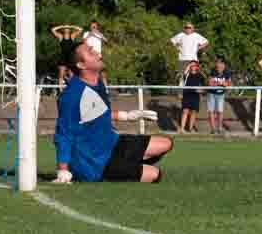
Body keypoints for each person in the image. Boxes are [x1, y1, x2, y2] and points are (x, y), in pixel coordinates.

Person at [53, 43, 173, 184]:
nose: (97, 53)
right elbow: (63, 134)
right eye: (90, 52)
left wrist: (127, 116)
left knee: (167, 143)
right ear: (81, 65)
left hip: (113, 143)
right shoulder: (71, 95)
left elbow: (97, 114)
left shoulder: (98, 83)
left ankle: (128, 164)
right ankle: (120, 169)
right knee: (155, 174)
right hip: (97, 163)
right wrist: (62, 169)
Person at [205, 58, 232, 135]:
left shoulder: (227, 72)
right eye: (218, 64)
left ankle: (220, 128)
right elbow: (210, 83)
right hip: (211, 94)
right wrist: (221, 83)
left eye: (221, 65)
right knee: (211, 111)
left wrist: (223, 84)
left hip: (221, 94)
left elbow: (229, 84)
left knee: (220, 111)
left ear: (224, 65)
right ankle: (213, 129)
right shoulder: (212, 71)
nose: (219, 66)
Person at [178, 59, 204, 133]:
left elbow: (203, 86)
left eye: (194, 65)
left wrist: (201, 91)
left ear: (197, 67)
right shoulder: (187, 74)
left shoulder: (200, 75)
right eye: (191, 65)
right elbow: (183, 77)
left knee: (194, 112)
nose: (193, 67)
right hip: (187, 94)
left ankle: (191, 128)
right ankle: (182, 128)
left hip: (195, 95)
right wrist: (188, 66)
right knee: (185, 111)